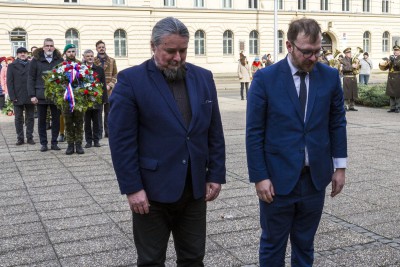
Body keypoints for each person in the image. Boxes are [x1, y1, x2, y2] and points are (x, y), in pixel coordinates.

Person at [108, 17, 226, 266]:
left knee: (194, 258)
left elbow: (213, 131)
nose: (178, 57)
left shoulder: (203, 77)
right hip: (151, 193)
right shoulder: (132, 80)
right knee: (151, 260)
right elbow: (121, 141)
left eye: (183, 50)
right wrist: (132, 188)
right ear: (153, 46)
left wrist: (215, 174)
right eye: (170, 51)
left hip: (194, 189)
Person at [246, 18, 347, 266]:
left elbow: (337, 123)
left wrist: (340, 167)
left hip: (314, 180)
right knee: (273, 245)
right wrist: (260, 176)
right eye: (307, 52)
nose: (313, 58)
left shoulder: (330, 77)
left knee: (305, 244)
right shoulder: (265, 79)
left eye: (318, 51)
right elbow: (254, 132)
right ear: (289, 46)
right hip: (277, 181)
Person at [28, 38, 63, 152]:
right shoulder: (36, 60)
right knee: (42, 120)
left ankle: (54, 142)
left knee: (56, 120)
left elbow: (63, 77)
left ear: (54, 47)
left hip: (55, 95)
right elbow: (31, 78)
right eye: (47, 45)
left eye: (51, 46)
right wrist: (32, 95)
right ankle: (43, 143)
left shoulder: (59, 60)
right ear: (43, 47)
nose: (49, 48)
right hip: (40, 95)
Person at [6, 47, 35, 145]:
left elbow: (34, 80)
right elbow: (9, 83)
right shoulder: (12, 66)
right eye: (20, 53)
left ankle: (30, 137)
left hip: (30, 95)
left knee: (30, 117)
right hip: (17, 96)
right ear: (17, 55)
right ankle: (20, 138)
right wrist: (12, 96)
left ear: (27, 54)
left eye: (24, 53)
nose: (23, 54)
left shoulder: (32, 65)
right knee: (18, 118)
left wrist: (34, 94)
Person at [61, 44, 85, 155]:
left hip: (79, 99)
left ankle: (79, 144)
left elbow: (86, 80)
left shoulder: (81, 65)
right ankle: (70, 145)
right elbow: (57, 82)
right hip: (67, 99)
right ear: (65, 53)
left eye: (73, 51)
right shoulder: (61, 66)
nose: (71, 53)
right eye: (69, 51)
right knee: (68, 122)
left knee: (79, 122)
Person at [83, 49, 107, 148]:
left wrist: (104, 99)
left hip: (97, 99)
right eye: (88, 56)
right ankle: (88, 141)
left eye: (91, 56)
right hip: (85, 99)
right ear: (84, 57)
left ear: (94, 57)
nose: (90, 58)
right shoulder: (81, 69)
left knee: (97, 121)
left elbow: (103, 85)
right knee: (87, 121)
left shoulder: (99, 69)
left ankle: (96, 140)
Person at [94, 40, 117, 138]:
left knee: (108, 112)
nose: (101, 48)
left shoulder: (112, 60)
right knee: (98, 112)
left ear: (105, 48)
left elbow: (115, 74)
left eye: (103, 47)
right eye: (99, 47)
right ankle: (98, 133)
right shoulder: (93, 60)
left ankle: (108, 132)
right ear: (96, 49)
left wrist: (110, 84)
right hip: (97, 90)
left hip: (109, 90)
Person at [379, 45, 400, 113]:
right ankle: (392, 107)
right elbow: (385, 68)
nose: (395, 52)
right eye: (394, 50)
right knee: (391, 93)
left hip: (397, 77)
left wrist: (394, 61)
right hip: (391, 77)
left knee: (397, 93)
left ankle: (398, 107)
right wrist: (386, 62)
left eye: (397, 50)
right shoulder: (391, 57)